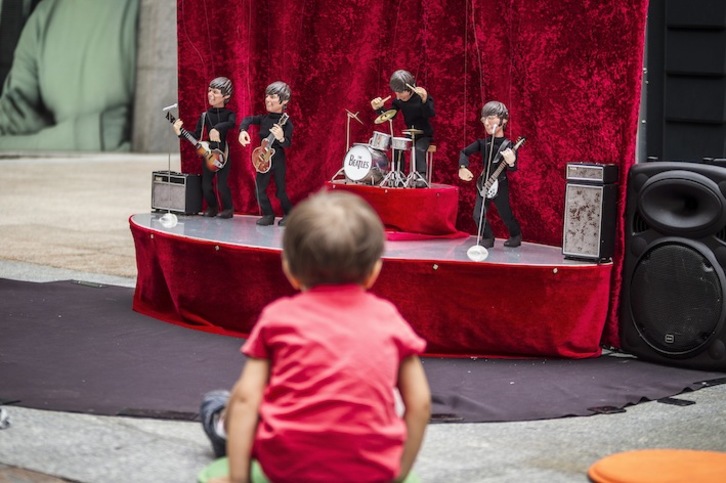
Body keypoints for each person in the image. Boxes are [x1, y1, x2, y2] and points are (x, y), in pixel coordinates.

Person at [199, 190, 431, 483]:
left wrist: (238, 478)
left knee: (216, 402)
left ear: (290, 270)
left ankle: (219, 426)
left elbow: (247, 400)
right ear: (374, 271)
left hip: (287, 469)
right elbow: (420, 403)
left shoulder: (278, 317)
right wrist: (398, 472)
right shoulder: (389, 318)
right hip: (370, 470)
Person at [0, 0, 138, 151]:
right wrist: (83, 137)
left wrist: (43, 138)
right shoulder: (42, 16)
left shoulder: (155, 12)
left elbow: (161, 146)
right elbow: (4, 146)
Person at [457, 101, 522, 248]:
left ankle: (516, 235)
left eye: (491, 118)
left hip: (501, 183)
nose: (486, 123)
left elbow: (513, 169)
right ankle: (487, 237)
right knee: (477, 215)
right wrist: (463, 167)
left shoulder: (509, 145)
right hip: (484, 182)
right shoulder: (482, 143)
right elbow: (464, 152)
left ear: (503, 120)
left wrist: (511, 162)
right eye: (484, 119)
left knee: (506, 215)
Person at [172, 77, 236, 218]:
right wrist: (180, 131)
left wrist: (218, 128)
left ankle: (228, 209)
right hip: (208, 154)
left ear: (226, 96)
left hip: (223, 154)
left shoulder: (229, 114)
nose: (210, 94)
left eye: (214, 92)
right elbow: (196, 135)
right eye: (209, 91)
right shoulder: (205, 115)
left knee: (221, 185)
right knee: (206, 185)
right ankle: (212, 207)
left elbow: (232, 124)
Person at [238, 81, 294, 226]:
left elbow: (287, 144)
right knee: (259, 189)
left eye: (273, 97)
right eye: (267, 96)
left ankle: (289, 214)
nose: (268, 100)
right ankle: (268, 214)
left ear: (284, 101)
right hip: (262, 159)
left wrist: (281, 137)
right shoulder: (264, 118)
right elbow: (247, 119)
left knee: (280, 191)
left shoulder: (286, 123)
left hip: (278, 160)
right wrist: (243, 131)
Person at [370, 70, 434, 187]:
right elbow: (391, 115)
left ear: (409, 89)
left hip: (424, 134)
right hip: (409, 133)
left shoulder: (420, 97)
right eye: (396, 92)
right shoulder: (398, 101)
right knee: (396, 147)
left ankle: (421, 176)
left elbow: (429, 113)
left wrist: (424, 100)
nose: (397, 96)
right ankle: (398, 175)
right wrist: (379, 109)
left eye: (400, 92)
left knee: (418, 149)